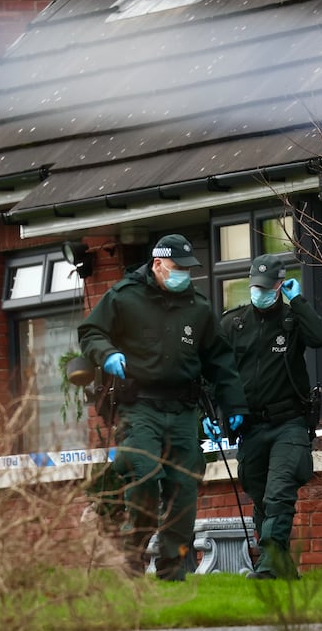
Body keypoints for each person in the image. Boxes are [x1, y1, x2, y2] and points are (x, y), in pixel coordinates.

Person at [78, 234, 248, 581]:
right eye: (177, 267)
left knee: (183, 492)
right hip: (138, 406)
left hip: (184, 411)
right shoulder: (124, 297)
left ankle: (172, 572)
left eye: (189, 268)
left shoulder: (198, 308)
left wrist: (235, 406)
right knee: (144, 476)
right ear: (157, 264)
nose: (184, 274)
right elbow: (91, 331)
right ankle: (133, 556)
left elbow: (220, 361)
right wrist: (107, 354)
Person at [220, 254, 322, 579]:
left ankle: (268, 566)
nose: (260, 291)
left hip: (289, 423)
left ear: (280, 285)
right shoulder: (233, 324)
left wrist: (299, 301)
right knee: (260, 497)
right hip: (251, 427)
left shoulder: (293, 320)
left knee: (279, 491)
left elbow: (321, 338)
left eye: (268, 287)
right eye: (256, 286)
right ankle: (282, 568)